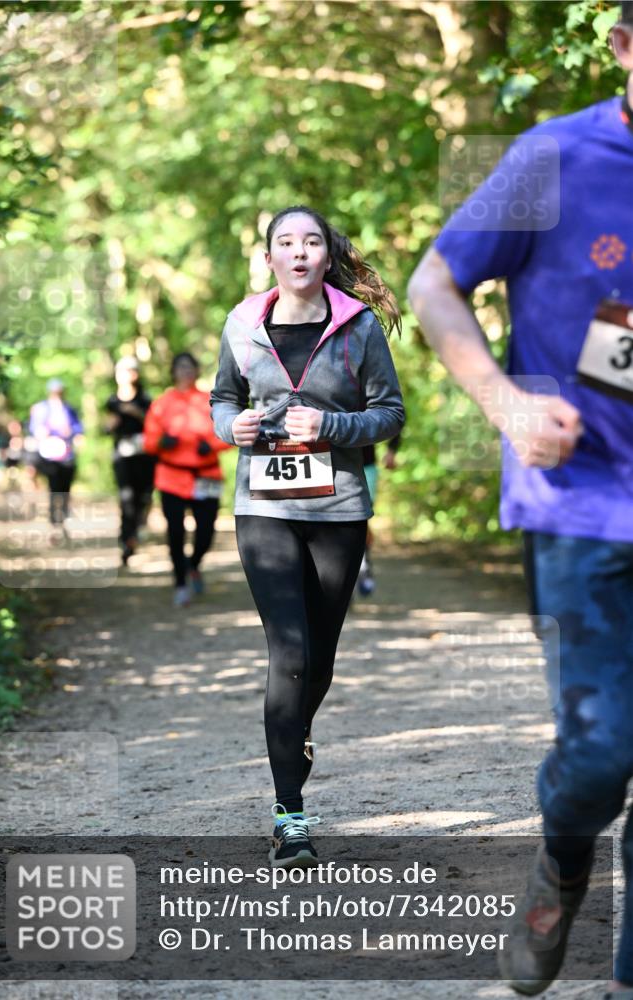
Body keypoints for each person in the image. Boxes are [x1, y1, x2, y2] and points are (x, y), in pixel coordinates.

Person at [408, 6, 633, 995]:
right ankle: (560, 848)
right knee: (599, 755)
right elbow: (431, 286)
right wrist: (505, 404)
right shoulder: (549, 157)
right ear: (623, 45)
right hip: (583, 505)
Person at [211, 205, 405, 869]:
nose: (298, 252)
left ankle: (295, 732)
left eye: (311, 241)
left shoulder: (357, 330)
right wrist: (228, 426)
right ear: (269, 257)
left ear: (327, 255)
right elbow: (221, 398)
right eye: (285, 243)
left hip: (338, 509)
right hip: (263, 507)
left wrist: (329, 428)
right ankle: (290, 816)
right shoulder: (241, 324)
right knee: (288, 651)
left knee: (318, 658)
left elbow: (388, 413)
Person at [143, 352, 230, 607]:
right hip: (171, 477)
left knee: (206, 532)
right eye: (180, 367)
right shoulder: (161, 403)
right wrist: (161, 442)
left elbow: (227, 434)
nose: (185, 371)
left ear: (196, 370)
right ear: (173, 371)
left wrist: (212, 445)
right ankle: (180, 583)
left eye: (189, 366)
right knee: (175, 532)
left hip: (207, 475)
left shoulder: (210, 401)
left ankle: (193, 565)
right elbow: (148, 441)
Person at [106, 357, 156, 566]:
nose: (124, 375)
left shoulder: (145, 399)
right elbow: (106, 427)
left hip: (144, 454)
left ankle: (137, 528)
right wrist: (111, 424)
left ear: (135, 374)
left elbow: (154, 424)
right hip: (121, 453)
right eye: (120, 371)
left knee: (142, 496)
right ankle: (127, 540)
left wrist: (136, 413)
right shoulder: (112, 401)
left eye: (128, 371)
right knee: (126, 496)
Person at [29, 379, 83, 535]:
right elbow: (35, 429)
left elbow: (78, 429)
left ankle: (63, 520)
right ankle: (54, 523)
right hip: (50, 456)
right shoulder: (41, 409)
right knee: (54, 489)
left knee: (65, 490)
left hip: (67, 455)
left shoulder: (69, 409)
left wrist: (75, 435)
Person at [357, 433, 401, 597]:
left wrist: (392, 449)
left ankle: (363, 565)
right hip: (323, 461)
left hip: (366, 464)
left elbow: (396, 411)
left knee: (362, 516)